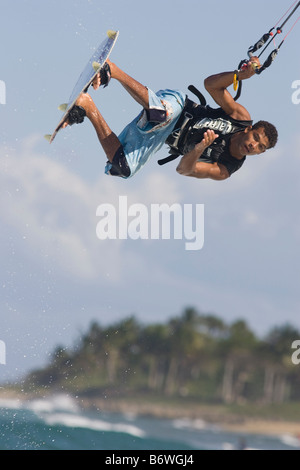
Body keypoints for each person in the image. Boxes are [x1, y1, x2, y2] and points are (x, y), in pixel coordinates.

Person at [62, 57, 278, 181]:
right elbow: (211, 85)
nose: (253, 145)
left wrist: (199, 149)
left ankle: (87, 106)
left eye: (260, 147)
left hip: (163, 134)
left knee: (122, 168)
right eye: (256, 137)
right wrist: (239, 75)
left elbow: (184, 169)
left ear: (261, 153)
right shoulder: (240, 118)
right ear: (250, 129)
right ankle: (113, 69)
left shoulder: (226, 168)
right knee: (161, 114)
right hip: (178, 107)